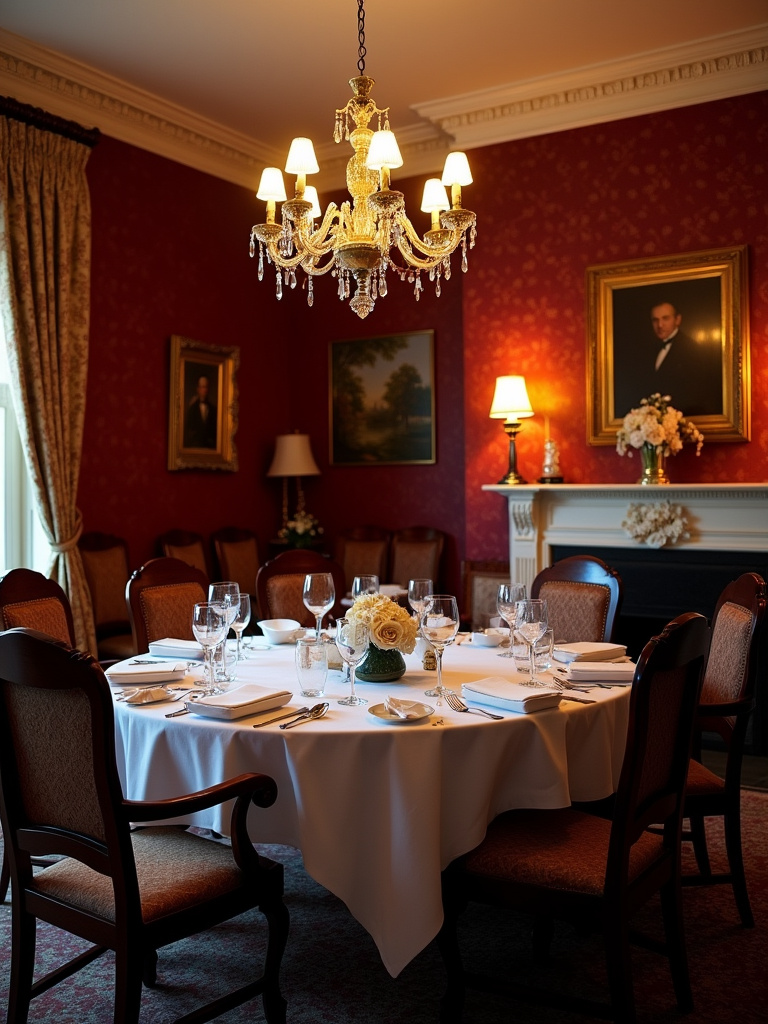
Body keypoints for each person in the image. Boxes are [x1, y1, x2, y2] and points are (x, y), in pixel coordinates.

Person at [614, 301, 722, 418]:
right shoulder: (646, 349)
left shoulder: (692, 350)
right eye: (655, 320)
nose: (660, 325)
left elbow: (695, 394)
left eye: (665, 318)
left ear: (677, 320)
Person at [183, 375, 217, 448]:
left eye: (206, 387)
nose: (205, 390)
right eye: (203, 387)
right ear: (198, 389)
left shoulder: (213, 409)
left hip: (209, 448)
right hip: (195, 446)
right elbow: (189, 430)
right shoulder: (192, 408)